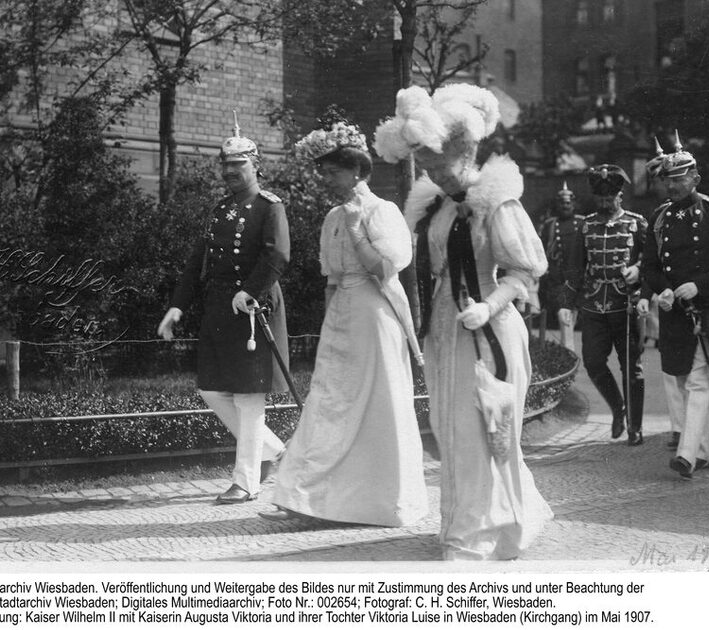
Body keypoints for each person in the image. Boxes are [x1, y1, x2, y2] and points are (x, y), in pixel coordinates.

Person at [375, 84, 553, 560]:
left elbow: (523, 274)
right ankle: (468, 521)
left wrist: (489, 306)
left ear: (467, 154)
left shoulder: (498, 203)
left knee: (487, 430)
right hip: (446, 329)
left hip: (490, 332)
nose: (434, 174)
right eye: (429, 167)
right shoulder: (434, 206)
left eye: (441, 165)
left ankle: (477, 535)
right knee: (451, 428)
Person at [259, 121, 428, 526]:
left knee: (377, 402)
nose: (328, 181)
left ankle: (379, 501)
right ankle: (311, 499)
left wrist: (358, 231)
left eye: (334, 173)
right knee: (331, 399)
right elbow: (332, 279)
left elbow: (386, 268)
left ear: (357, 173)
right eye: (325, 174)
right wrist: (328, 326)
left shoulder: (381, 211)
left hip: (376, 313)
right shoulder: (333, 216)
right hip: (344, 314)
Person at [157, 118, 289, 504]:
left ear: (255, 166)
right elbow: (197, 260)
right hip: (219, 311)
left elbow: (277, 255)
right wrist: (177, 306)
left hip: (254, 309)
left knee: (249, 397)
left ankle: (246, 482)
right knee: (210, 389)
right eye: (227, 167)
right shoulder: (220, 209)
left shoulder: (269, 208)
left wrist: (250, 291)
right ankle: (274, 450)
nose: (231, 174)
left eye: (239, 167)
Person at [636, 131, 709, 479]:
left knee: (698, 380)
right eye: (669, 179)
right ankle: (704, 452)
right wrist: (663, 290)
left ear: (695, 178)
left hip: (708, 311)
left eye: (680, 178)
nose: (673, 185)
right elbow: (650, 266)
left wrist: (698, 285)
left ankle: (686, 454)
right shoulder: (660, 218)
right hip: (674, 313)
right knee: (682, 378)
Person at [563, 164, 647, 445]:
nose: (604, 204)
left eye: (609, 199)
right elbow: (576, 267)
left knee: (631, 367)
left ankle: (635, 426)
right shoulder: (586, 225)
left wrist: (638, 270)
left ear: (620, 196)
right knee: (593, 362)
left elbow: (652, 260)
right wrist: (568, 303)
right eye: (600, 200)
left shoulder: (636, 223)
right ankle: (617, 407)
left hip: (626, 305)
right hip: (593, 305)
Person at [537, 182, 584, 353]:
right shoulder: (550, 224)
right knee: (564, 315)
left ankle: (569, 351)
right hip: (557, 279)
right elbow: (541, 248)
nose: (565, 206)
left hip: (578, 278)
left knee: (572, 316)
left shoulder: (582, 222)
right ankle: (569, 352)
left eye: (568, 203)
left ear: (573, 204)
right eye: (562, 203)